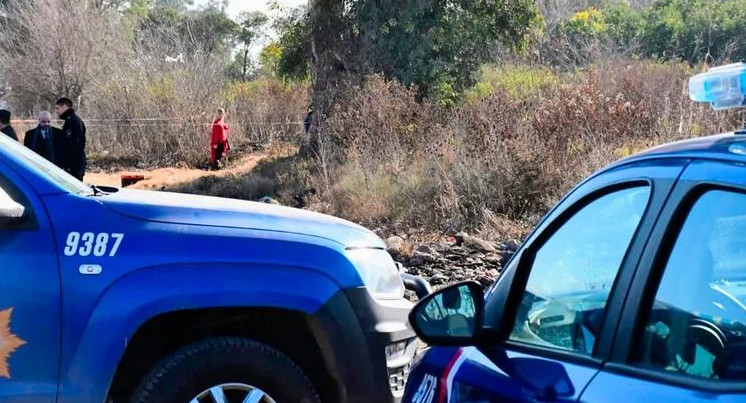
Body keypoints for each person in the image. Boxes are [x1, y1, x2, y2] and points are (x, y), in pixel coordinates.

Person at [55, 97, 87, 180]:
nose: (57, 111)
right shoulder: (69, 121)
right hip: (72, 163)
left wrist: (70, 165)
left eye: (58, 108)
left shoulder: (74, 122)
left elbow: (76, 145)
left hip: (75, 163)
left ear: (65, 107)